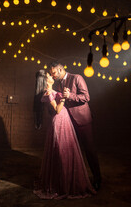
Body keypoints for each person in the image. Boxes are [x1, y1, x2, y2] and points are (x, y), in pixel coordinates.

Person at [33, 70, 96, 199]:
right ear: (46, 80)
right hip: (59, 122)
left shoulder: (53, 89)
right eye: (49, 76)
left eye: (52, 74)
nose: (52, 76)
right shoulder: (48, 93)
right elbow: (57, 110)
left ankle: (67, 180)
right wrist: (63, 98)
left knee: (66, 151)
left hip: (64, 121)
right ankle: (63, 183)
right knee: (62, 152)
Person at [48, 61, 101, 191]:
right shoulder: (58, 83)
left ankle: (98, 179)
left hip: (83, 120)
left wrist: (70, 95)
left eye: (54, 73)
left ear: (60, 70)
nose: (53, 76)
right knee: (72, 152)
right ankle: (74, 180)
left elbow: (86, 97)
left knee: (89, 150)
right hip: (68, 123)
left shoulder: (77, 78)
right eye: (51, 74)